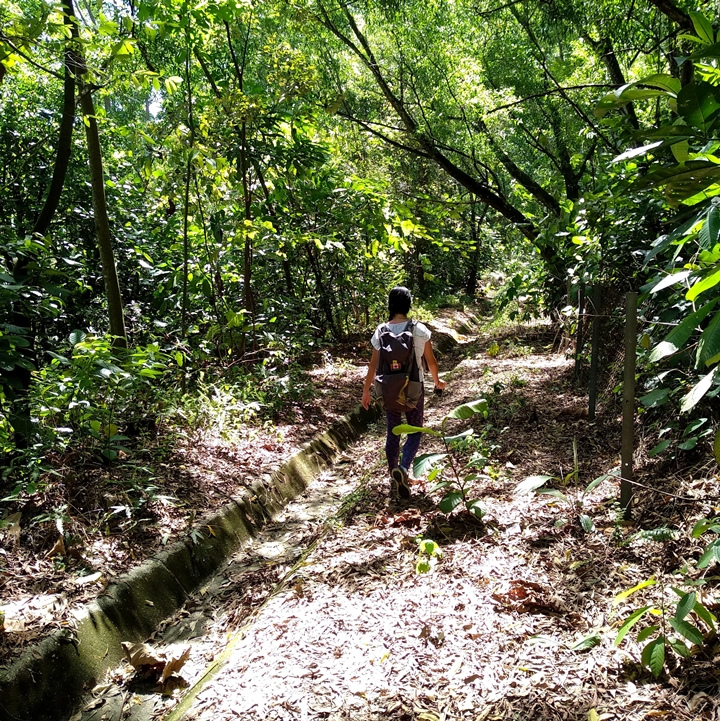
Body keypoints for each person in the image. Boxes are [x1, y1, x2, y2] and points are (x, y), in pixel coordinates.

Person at [362, 286, 446, 498]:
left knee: (393, 430)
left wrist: (366, 391)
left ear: (390, 305)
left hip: (389, 390)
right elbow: (431, 361)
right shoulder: (419, 329)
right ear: (409, 304)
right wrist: (437, 381)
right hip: (414, 389)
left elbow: (373, 366)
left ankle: (393, 475)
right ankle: (404, 468)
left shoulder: (380, 331)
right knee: (415, 431)